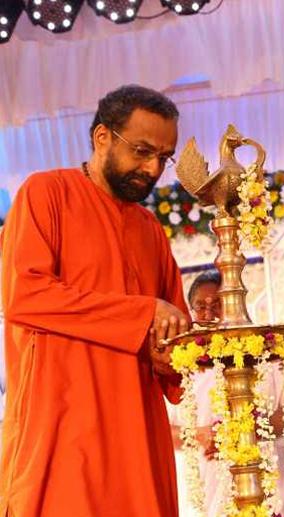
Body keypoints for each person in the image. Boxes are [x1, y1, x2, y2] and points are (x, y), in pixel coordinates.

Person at [0, 85, 190, 516]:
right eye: (142, 151)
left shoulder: (150, 230)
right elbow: (25, 296)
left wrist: (172, 355)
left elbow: (175, 338)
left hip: (138, 436)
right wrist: (143, 312)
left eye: (164, 157)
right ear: (102, 136)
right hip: (65, 427)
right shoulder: (46, 193)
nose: (153, 168)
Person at [169, 271, 284, 517]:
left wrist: (248, 431)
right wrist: (202, 435)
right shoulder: (184, 362)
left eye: (217, 304)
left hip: (273, 473)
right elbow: (166, 430)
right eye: (200, 306)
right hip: (213, 479)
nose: (209, 314)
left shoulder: (270, 350)